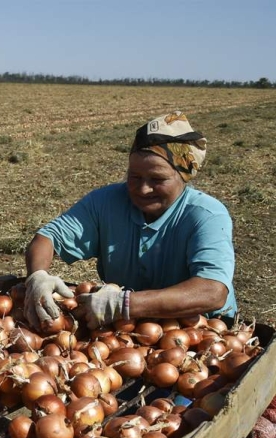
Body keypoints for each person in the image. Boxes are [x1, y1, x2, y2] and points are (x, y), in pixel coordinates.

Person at [24, 111, 236, 331]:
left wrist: (125, 304)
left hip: (203, 327)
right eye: (134, 177)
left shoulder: (206, 215)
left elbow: (212, 292)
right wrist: (38, 276)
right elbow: (48, 238)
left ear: (183, 176)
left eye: (157, 179)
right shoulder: (106, 202)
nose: (143, 189)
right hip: (131, 328)